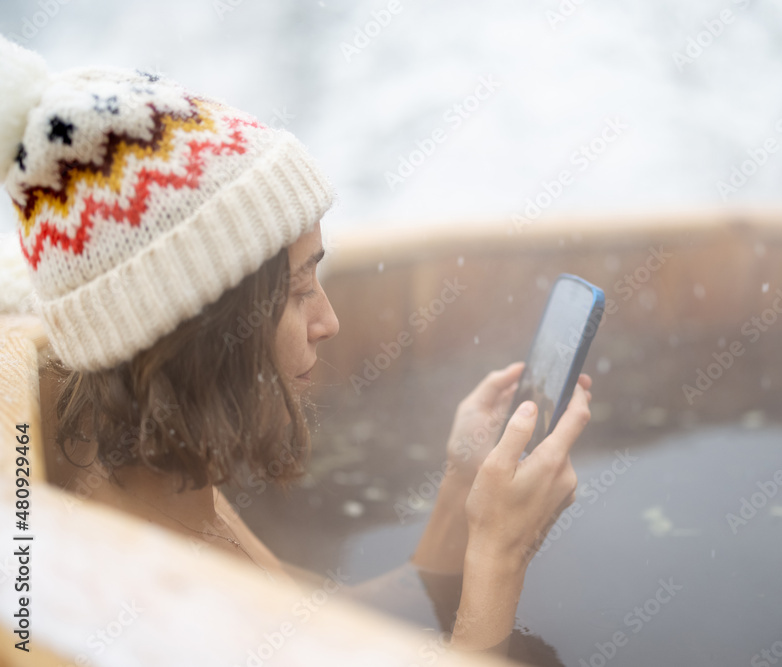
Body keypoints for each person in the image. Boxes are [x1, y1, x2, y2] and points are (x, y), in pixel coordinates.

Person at [0, 37, 593, 655]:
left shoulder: (171, 482)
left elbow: (316, 631)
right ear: (198, 333)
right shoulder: (151, 600)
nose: (330, 320)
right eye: (296, 290)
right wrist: (502, 553)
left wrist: (461, 487)